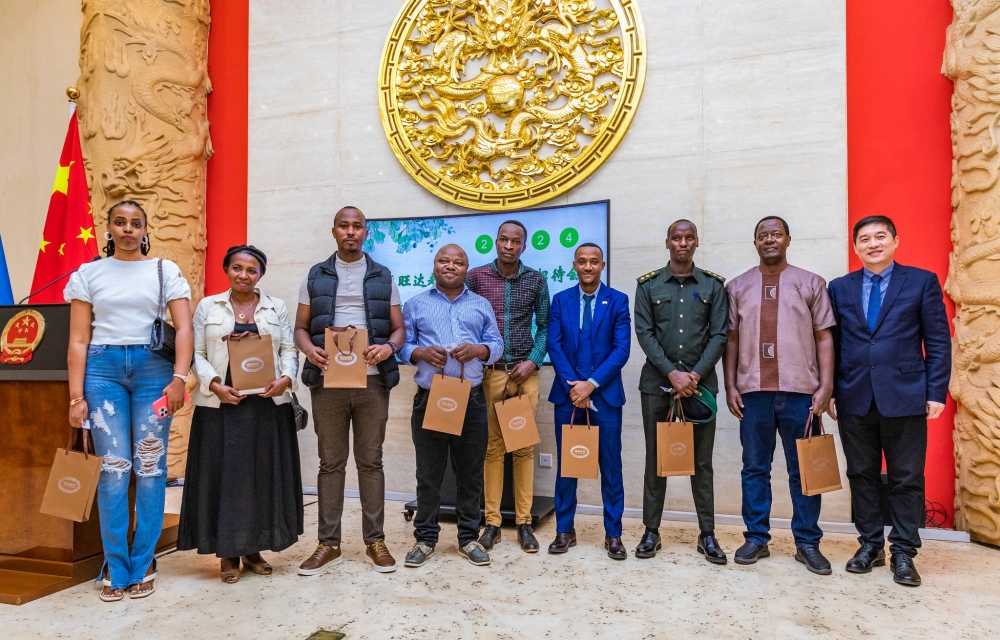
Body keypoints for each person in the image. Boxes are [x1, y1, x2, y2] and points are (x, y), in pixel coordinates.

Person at [65, 200, 193, 602]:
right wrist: (75, 396)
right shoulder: (88, 273)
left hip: (154, 368)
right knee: (114, 470)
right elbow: (79, 339)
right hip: (103, 372)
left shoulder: (164, 271)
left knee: (150, 466)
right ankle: (115, 565)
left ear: (145, 229)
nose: (128, 230)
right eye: (120, 223)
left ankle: (144, 561)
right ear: (109, 229)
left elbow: (184, 327)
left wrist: (179, 378)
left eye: (135, 223)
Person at [827, 216, 951, 587]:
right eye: (864, 239)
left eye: (881, 236)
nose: (873, 243)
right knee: (861, 474)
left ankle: (903, 552)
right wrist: (831, 390)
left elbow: (939, 341)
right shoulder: (839, 287)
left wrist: (935, 392)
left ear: (896, 240)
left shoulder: (921, 281)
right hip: (854, 396)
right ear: (855, 247)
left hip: (906, 395)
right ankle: (869, 545)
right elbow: (834, 344)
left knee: (906, 477)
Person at [179, 245, 303, 583]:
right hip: (221, 407)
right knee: (226, 481)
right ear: (227, 270)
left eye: (251, 270)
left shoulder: (275, 307)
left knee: (261, 479)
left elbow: (289, 349)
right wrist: (215, 384)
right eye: (237, 268)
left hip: (266, 407)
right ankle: (228, 556)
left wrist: (287, 379)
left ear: (260, 274)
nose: (244, 275)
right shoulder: (208, 306)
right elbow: (196, 353)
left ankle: (254, 550)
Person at [295, 206, 405, 575]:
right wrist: (310, 349)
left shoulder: (383, 275)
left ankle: (375, 541)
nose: (351, 232)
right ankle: (329, 544)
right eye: (344, 226)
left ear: (365, 233)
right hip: (328, 381)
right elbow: (300, 328)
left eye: (357, 226)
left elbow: (398, 329)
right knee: (331, 464)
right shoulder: (316, 275)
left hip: (373, 381)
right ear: (334, 231)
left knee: (371, 462)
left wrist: (388, 348)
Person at [723, 216, 836, 575]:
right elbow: (732, 340)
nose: (769, 239)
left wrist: (825, 387)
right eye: (762, 235)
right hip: (753, 392)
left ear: (788, 238)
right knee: (754, 468)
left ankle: (807, 543)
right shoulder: (737, 287)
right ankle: (756, 538)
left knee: (804, 470)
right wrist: (730, 385)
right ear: (754, 243)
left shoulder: (811, 283)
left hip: (801, 393)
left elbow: (825, 337)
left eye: (775, 234)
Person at [400, 244, 505, 568]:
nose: (450, 266)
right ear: (434, 265)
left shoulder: (480, 304)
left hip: (471, 399)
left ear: (466, 268)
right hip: (430, 397)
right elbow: (400, 344)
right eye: (444, 260)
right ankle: (425, 538)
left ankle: (468, 538)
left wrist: (479, 350)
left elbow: (497, 345)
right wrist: (418, 353)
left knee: (470, 474)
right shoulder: (415, 303)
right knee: (428, 474)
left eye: (458, 262)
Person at [633, 220, 730, 564]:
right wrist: (672, 374)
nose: (683, 243)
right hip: (657, 387)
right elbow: (644, 334)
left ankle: (707, 534)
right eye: (677, 238)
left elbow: (720, 334)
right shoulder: (647, 286)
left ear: (696, 242)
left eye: (689, 238)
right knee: (655, 460)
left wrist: (694, 375)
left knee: (701, 463)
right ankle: (651, 531)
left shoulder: (714, 285)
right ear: (668, 242)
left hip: (700, 389)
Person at [467, 220, 549, 553]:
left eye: (516, 241)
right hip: (491, 374)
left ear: (524, 246)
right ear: (495, 242)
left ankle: (525, 523)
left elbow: (544, 326)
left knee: (523, 448)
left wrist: (534, 359)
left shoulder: (537, 279)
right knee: (492, 449)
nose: (509, 246)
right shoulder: (475, 277)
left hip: (524, 374)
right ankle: (492, 523)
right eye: (504, 239)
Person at [546, 243, 631, 559]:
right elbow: (554, 346)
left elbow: (621, 350)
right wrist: (575, 387)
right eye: (582, 261)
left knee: (611, 467)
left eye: (594, 261)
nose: (588, 266)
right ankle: (564, 530)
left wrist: (591, 385)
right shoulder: (560, 300)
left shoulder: (618, 301)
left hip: (605, 397)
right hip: (568, 397)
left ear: (602, 265)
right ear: (574, 265)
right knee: (568, 465)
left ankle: (614, 534)